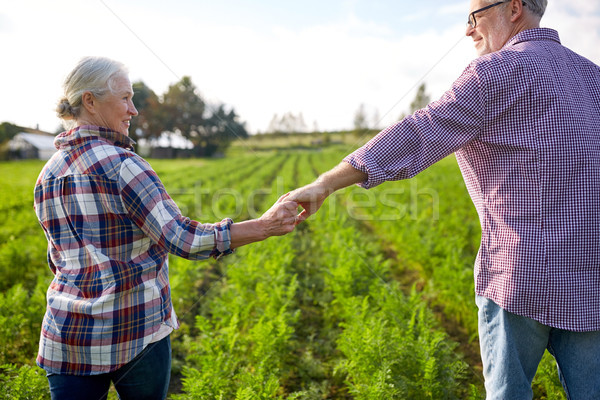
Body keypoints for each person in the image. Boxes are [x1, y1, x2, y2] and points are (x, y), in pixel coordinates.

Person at [286, 0, 600, 398]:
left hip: (521, 277)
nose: (468, 31)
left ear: (515, 7)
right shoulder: (593, 75)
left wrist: (325, 183)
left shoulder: (494, 71)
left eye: (475, 17)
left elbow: (418, 133)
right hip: (593, 274)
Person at [34, 56, 298, 400]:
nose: (134, 110)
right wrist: (264, 226)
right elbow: (184, 240)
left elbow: (58, 260)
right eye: (126, 98)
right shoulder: (124, 165)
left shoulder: (47, 175)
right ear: (89, 100)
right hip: (134, 331)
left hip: (66, 334)